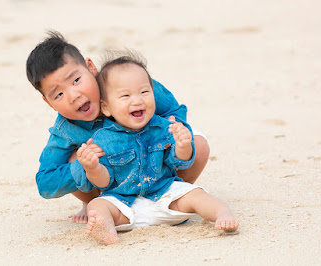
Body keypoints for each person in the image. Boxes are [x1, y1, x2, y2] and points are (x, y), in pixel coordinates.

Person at [26, 31, 210, 223]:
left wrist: (173, 129)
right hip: (109, 185)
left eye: (76, 80)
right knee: (78, 156)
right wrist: (86, 165)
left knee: (198, 144)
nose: (74, 96)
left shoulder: (127, 83)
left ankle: (172, 197)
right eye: (59, 95)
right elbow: (45, 183)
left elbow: (173, 109)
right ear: (49, 103)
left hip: (153, 167)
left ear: (90, 68)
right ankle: (97, 204)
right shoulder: (66, 129)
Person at [76, 51, 238, 245]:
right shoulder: (102, 139)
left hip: (166, 195)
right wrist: (92, 167)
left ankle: (222, 214)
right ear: (106, 107)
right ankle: (107, 227)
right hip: (123, 204)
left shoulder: (163, 127)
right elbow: (103, 182)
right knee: (97, 204)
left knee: (196, 194)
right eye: (125, 95)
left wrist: (183, 145)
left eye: (144, 92)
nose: (137, 100)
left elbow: (177, 161)